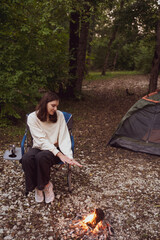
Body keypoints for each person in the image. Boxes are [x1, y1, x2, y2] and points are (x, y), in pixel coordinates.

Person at [21, 91, 81, 204]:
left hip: (54, 148)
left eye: (57, 106)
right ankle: (37, 187)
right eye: (53, 105)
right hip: (39, 146)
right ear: (45, 104)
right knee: (27, 158)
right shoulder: (33, 117)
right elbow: (41, 140)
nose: (55, 108)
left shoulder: (59, 115)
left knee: (42, 157)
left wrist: (68, 156)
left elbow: (64, 136)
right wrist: (59, 155)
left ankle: (45, 186)